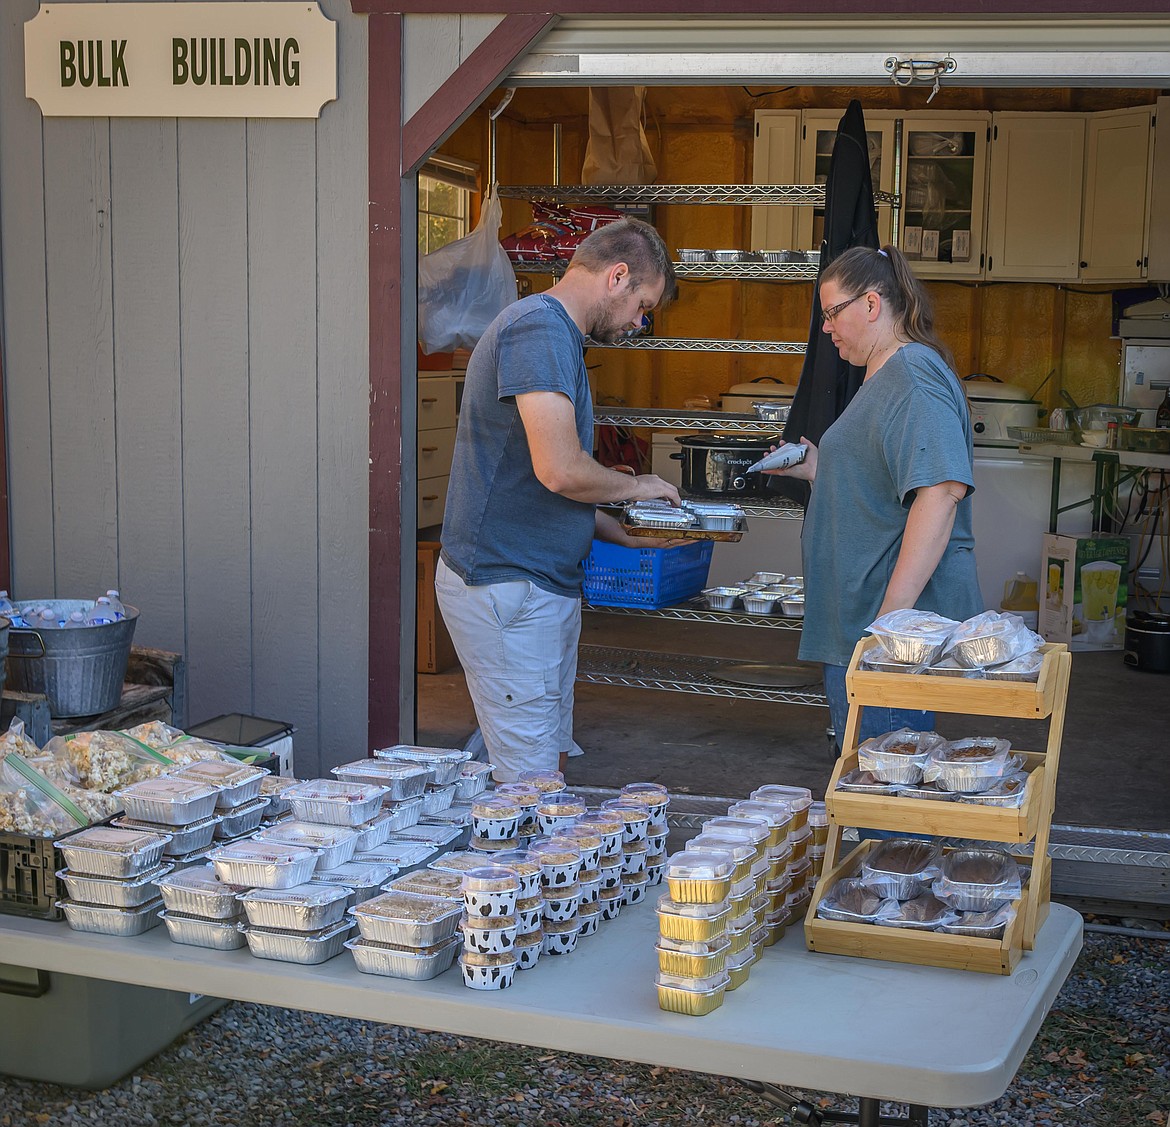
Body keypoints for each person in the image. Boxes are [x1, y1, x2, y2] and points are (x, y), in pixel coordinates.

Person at [436, 217, 682, 783]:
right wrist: (637, 486)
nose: (638, 324)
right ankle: (508, 871)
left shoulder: (553, 333)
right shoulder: (538, 331)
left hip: (534, 585)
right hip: (507, 586)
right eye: (642, 306)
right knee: (528, 781)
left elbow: (532, 475)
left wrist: (615, 526)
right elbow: (559, 470)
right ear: (617, 277)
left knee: (545, 761)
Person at [769, 244, 983, 751]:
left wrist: (889, 624)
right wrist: (822, 467)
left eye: (831, 313)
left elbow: (940, 491)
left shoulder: (912, 376)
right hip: (862, 626)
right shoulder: (884, 377)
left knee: (887, 799)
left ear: (871, 304)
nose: (826, 328)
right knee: (875, 789)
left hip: (888, 639)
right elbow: (887, 483)